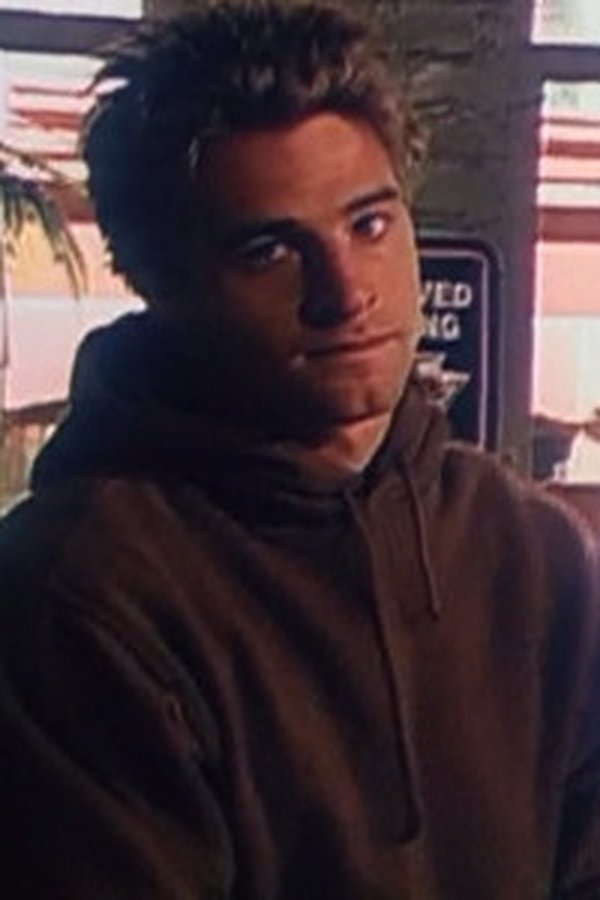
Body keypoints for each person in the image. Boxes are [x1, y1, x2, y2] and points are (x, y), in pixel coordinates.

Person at [0, 2, 599, 897]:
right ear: (158, 283)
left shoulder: (530, 550)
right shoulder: (83, 592)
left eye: (370, 225)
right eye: (271, 250)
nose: (346, 291)